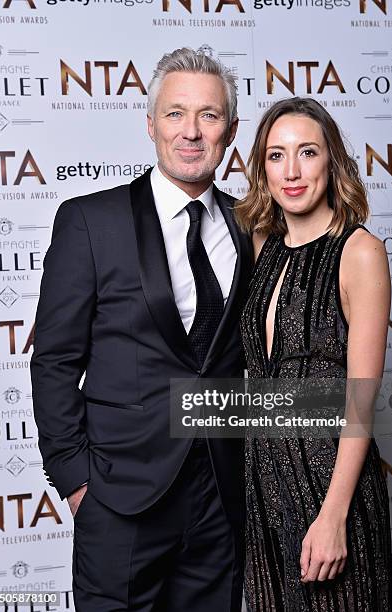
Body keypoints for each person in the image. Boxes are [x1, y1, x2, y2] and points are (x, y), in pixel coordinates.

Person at [31, 47, 252, 612]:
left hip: (222, 498)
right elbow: (54, 358)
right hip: (120, 495)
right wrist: (78, 481)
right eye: (176, 113)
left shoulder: (253, 226)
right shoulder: (89, 221)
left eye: (208, 115)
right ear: (150, 124)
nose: (192, 131)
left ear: (230, 130)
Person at [236, 97, 392, 611]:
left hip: (331, 489)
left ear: (332, 160)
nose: (293, 171)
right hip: (264, 489)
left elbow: (360, 399)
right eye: (277, 156)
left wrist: (333, 516)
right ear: (262, 167)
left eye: (308, 152)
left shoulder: (359, 251)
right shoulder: (262, 244)